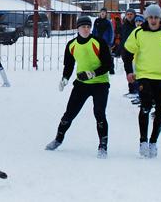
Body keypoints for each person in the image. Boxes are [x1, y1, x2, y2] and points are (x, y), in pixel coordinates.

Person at [45, 15, 112, 158]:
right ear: (78, 28)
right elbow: (69, 65)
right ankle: (58, 139)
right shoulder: (72, 44)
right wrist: (64, 78)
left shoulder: (98, 42)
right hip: (81, 84)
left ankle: (103, 145)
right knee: (69, 113)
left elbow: (108, 64)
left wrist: (93, 73)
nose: (86, 29)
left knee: (99, 113)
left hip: (100, 83)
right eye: (83, 27)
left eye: (88, 27)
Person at [122, 4, 161, 158]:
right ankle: (143, 141)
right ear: (146, 18)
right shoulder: (138, 33)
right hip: (144, 75)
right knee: (146, 106)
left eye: (156, 17)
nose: (153, 20)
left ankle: (153, 141)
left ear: (160, 18)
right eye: (150, 17)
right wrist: (129, 71)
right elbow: (127, 52)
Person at [119, 9, 139, 97]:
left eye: (131, 14)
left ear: (134, 15)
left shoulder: (137, 25)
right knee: (128, 70)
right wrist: (120, 50)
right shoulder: (123, 26)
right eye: (128, 14)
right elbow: (122, 39)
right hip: (125, 52)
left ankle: (137, 90)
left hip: (135, 52)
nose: (129, 16)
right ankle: (131, 89)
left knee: (135, 71)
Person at [92, 8, 115, 74]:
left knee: (109, 55)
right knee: (97, 55)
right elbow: (94, 31)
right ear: (99, 13)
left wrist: (110, 42)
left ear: (106, 14)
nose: (102, 13)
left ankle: (111, 69)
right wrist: (92, 39)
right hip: (97, 41)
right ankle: (99, 68)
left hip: (106, 42)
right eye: (101, 12)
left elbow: (111, 32)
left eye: (104, 12)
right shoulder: (96, 21)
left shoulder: (108, 22)